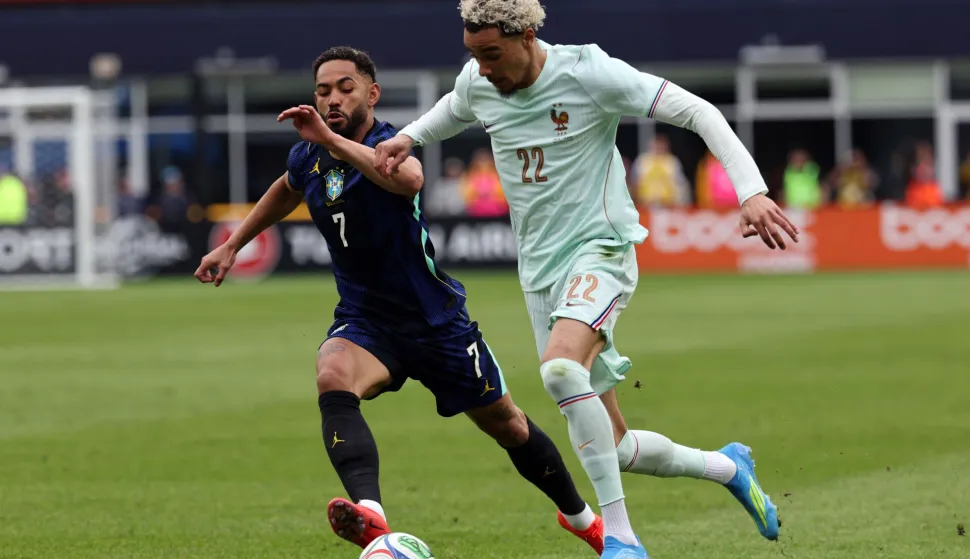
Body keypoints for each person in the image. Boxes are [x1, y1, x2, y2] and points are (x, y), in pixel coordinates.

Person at [373, 2, 798, 557]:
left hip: (601, 250)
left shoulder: (587, 72)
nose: (483, 68)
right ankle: (728, 467)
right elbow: (454, 108)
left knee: (559, 369)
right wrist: (408, 137)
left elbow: (698, 111)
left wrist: (751, 191)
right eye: (473, 55)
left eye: (492, 54)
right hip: (540, 273)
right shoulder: (479, 80)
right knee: (616, 448)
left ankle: (621, 538)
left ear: (528, 36)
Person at [194, 46, 605, 555]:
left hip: (436, 322)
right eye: (322, 91)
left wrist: (332, 141)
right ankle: (371, 514)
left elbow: (408, 178)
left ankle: (583, 520)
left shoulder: (389, 142)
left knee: (508, 425)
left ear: (372, 94)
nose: (332, 99)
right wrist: (233, 244)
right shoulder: (308, 155)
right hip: (367, 321)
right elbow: (287, 187)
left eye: (345, 88)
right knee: (332, 373)